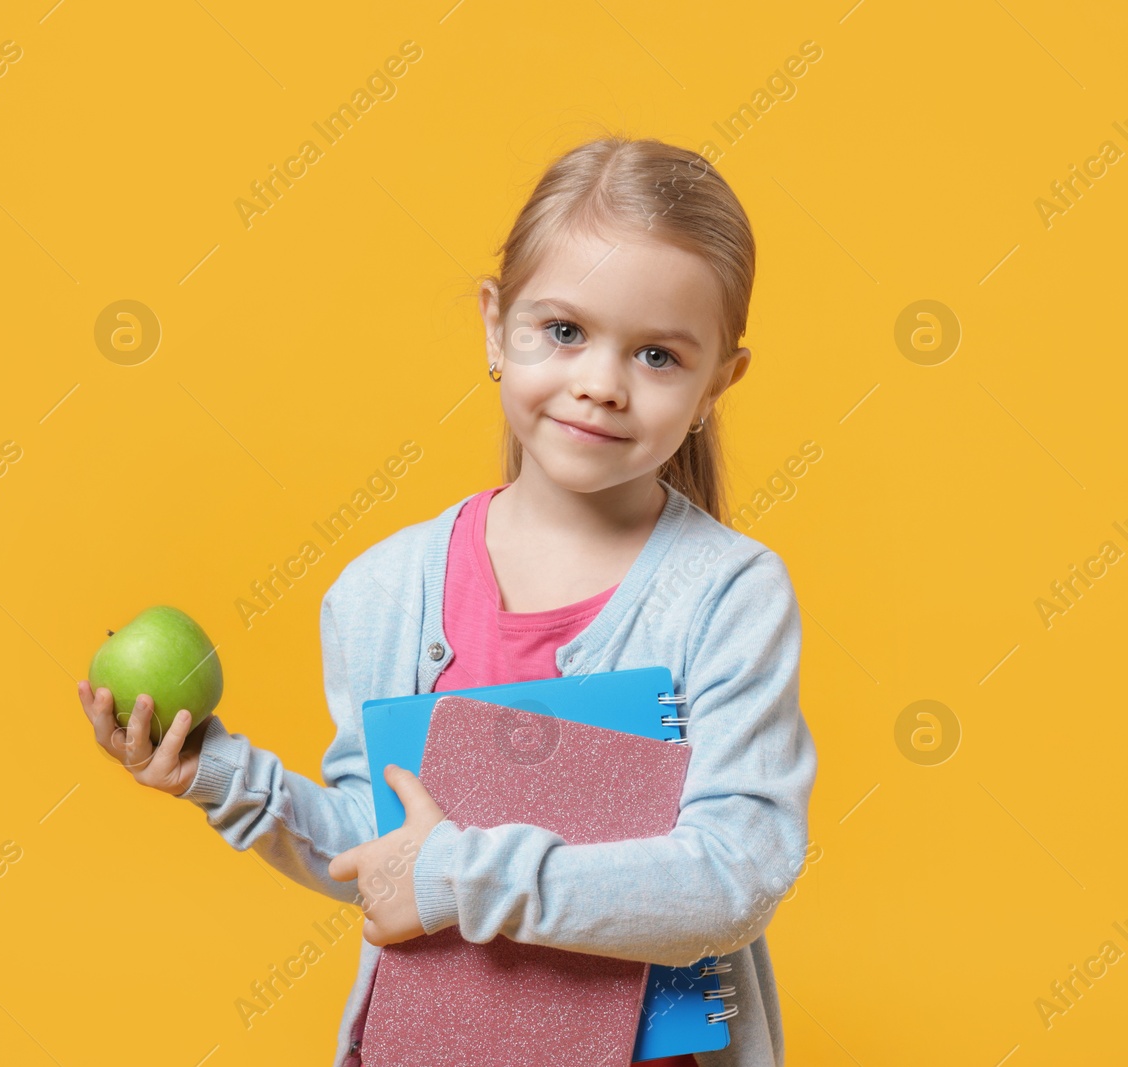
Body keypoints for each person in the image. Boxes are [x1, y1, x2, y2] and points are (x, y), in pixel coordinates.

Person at [79, 133, 817, 1067]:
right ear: (494, 325)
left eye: (659, 356)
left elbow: (733, 874)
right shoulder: (384, 592)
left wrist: (458, 876)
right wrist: (217, 772)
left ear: (719, 381)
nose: (600, 382)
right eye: (564, 331)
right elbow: (379, 848)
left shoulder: (727, 597)